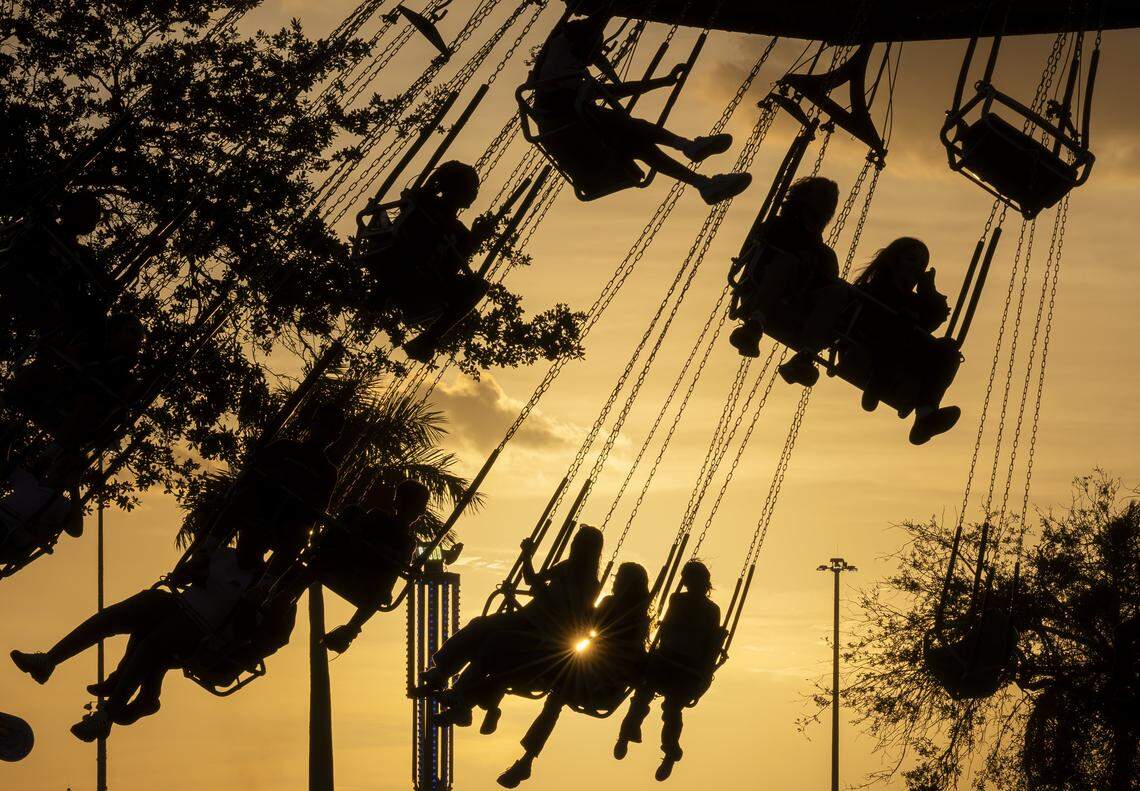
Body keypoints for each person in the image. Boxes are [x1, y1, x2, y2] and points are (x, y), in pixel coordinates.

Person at [528, 9, 751, 206]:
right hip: (568, 126)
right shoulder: (561, 59)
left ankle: (702, 182)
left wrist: (662, 81)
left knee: (642, 146)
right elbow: (594, 25)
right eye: (595, 50)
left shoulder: (566, 74)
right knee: (634, 128)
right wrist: (608, 10)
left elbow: (612, 90)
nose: (593, 59)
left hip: (576, 130)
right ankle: (687, 148)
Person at [415, 526, 605, 729]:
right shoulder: (566, 567)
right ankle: (442, 672)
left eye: (579, 543)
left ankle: (461, 694)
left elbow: (569, 615)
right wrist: (526, 555)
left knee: (494, 643)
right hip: (526, 618)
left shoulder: (590, 586)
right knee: (480, 626)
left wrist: (544, 592)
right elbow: (533, 580)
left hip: (544, 635)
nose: (575, 546)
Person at [497, 562, 652, 788]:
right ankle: (526, 761)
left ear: (626, 584)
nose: (615, 581)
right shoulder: (637, 616)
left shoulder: (624, 612)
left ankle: (526, 759)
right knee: (554, 698)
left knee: (554, 698)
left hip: (601, 684)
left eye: (619, 578)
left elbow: (587, 623)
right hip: (594, 680)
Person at [358, 160, 496, 362]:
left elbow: (449, 269)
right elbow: (413, 226)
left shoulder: (458, 231)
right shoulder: (424, 204)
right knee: (417, 240)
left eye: (476, 188)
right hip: (400, 266)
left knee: (478, 286)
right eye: (471, 187)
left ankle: (428, 338)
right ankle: (387, 290)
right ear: (455, 188)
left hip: (424, 281)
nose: (475, 193)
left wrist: (474, 241)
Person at [615, 561, 723, 781]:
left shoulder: (694, 605)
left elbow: (703, 642)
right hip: (674, 665)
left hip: (679, 667)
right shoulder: (701, 607)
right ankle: (634, 735)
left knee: (657, 701)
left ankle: (661, 746)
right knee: (654, 701)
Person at [848, 238, 962, 444]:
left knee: (948, 351)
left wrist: (928, 291)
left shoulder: (915, 302)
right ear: (893, 261)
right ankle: (878, 379)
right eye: (911, 260)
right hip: (867, 344)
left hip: (902, 356)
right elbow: (861, 316)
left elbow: (934, 318)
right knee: (905, 322)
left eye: (922, 265)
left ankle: (925, 417)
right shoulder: (873, 289)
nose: (917, 268)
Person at [728, 177, 843, 375]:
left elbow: (828, 281)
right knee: (787, 262)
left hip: (800, 303)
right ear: (805, 198)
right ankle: (756, 322)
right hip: (763, 288)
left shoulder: (824, 254)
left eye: (831, 200)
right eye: (822, 196)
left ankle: (805, 357)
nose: (827, 203)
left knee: (839, 291)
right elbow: (758, 248)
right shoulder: (777, 226)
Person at [320, 479, 432, 653]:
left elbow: (399, 565)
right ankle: (351, 628)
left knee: (381, 592)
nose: (417, 511)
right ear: (398, 503)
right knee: (380, 592)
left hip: (366, 584)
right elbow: (356, 535)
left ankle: (351, 628)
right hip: (346, 568)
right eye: (415, 506)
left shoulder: (407, 541)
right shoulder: (377, 518)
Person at [0, 464, 83, 570]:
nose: (58, 472)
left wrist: (74, 489)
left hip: (10, 535)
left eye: (64, 470)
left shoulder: (60, 503)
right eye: (60, 467)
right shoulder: (29, 480)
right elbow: (6, 466)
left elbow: (76, 530)